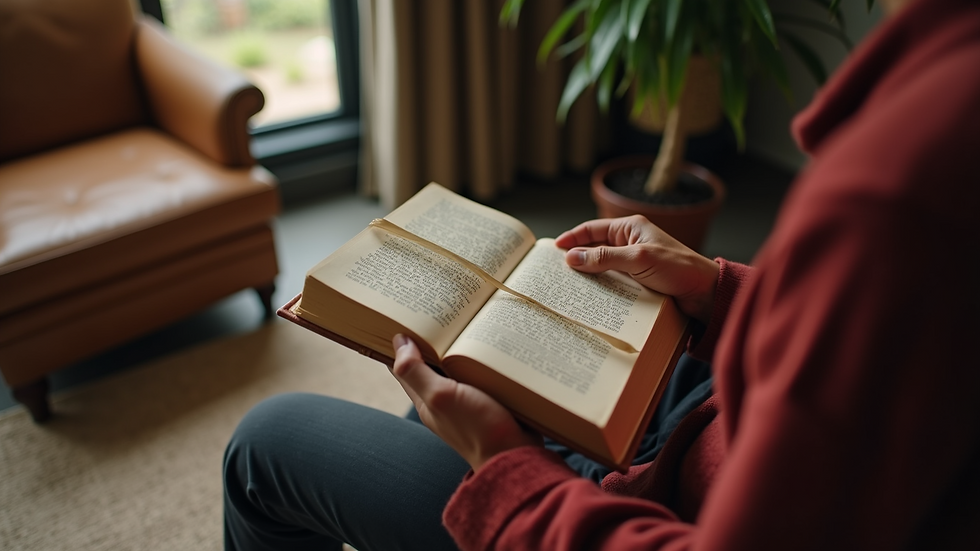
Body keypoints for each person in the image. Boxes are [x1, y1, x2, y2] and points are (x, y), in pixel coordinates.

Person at [223, 0, 980, 548]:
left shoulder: (905, 191)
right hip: (705, 419)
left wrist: (511, 471)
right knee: (445, 395)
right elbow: (891, 345)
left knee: (267, 442)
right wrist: (720, 289)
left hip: (658, 500)